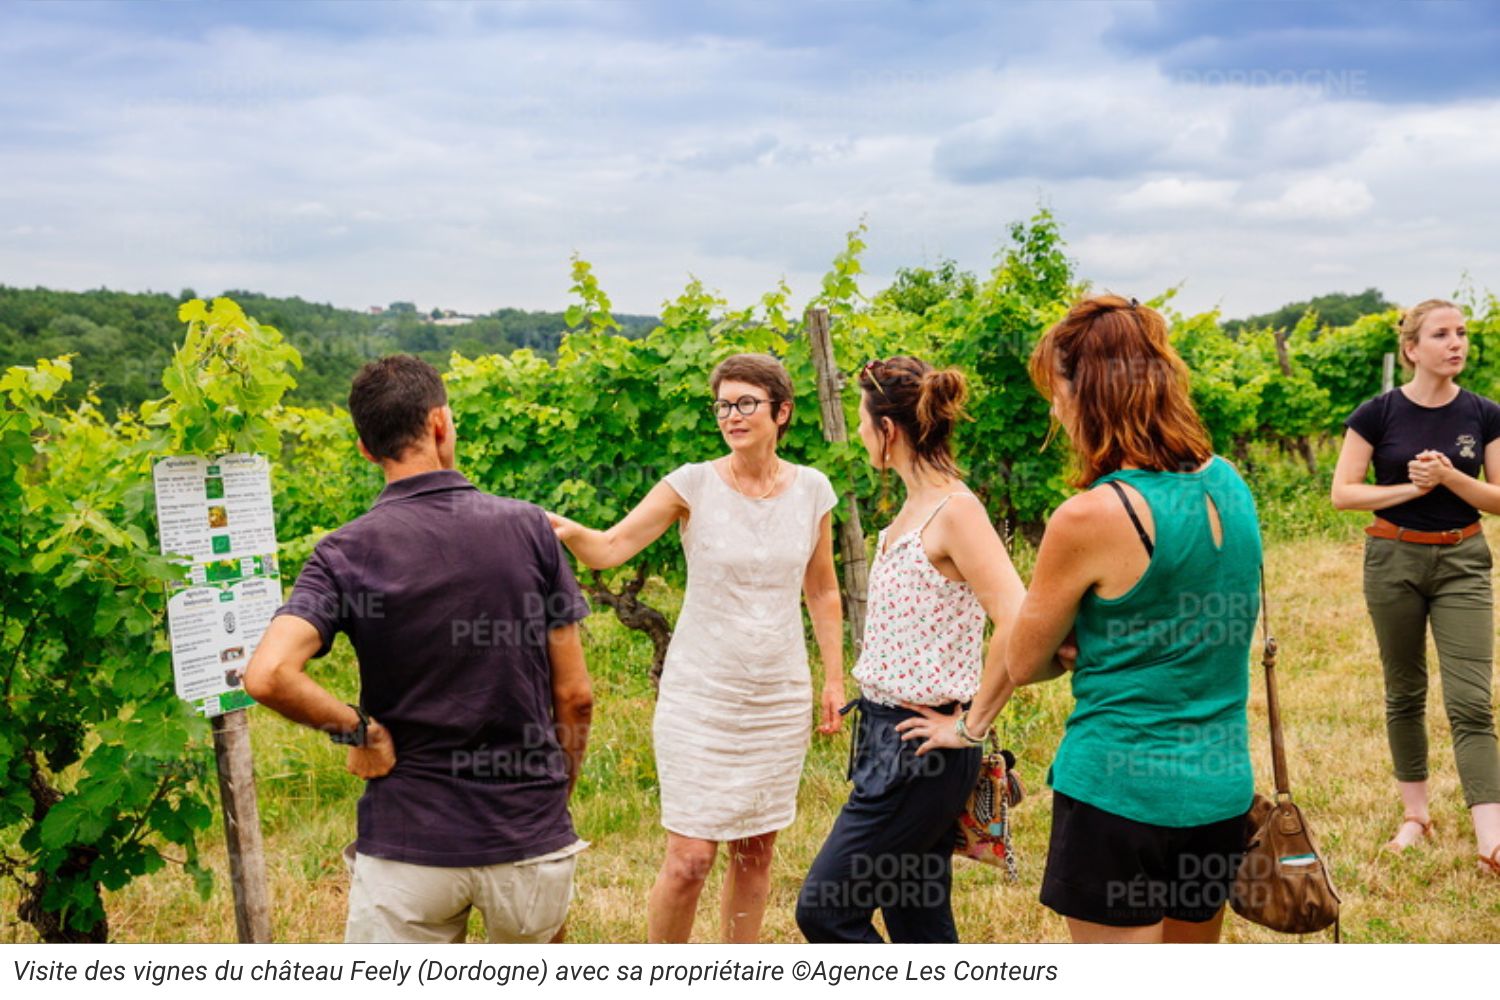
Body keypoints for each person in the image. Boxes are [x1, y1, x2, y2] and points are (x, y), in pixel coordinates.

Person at [244, 355, 595, 943]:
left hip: (408, 848)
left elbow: (269, 674)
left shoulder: (343, 553)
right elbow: (576, 695)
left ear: (365, 448)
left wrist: (361, 731)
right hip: (527, 836)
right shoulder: (530, 528)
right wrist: (553, 795)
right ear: (440, 423)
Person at [547, 352, 845, 942]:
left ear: (781, 412)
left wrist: (834, 679)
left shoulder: (813, 489)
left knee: (756, 851)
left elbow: (823, 588)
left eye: (745, 403)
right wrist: (554, 527)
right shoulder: (691, 484)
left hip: (776, 696)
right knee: (690, 860)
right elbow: (609, 549)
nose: (731, 415)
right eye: (723, 405)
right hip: (700, 696)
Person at [1001, 295, 1261, 943]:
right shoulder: (1230, 482)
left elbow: (1023, 662)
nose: (1054, 408)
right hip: (1218, 789)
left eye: (1056, 390)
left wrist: (1076, 640)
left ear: (1085, 391)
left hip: (1118, 794)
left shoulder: (1091, 516)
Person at [795, 356, 1027, 943]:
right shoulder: (913, 507)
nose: (861, 434)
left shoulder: (957, 511)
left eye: (862, 422)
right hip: (887, 738)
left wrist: (972, 728)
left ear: (888, 430)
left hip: (920, 751)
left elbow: (1018, 620)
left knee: (824, 911)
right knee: (918, 921)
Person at [1332, 299, 1500, 874]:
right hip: (1393, 558)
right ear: (1411, 349)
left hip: (1464, 561)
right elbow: (1344, 493)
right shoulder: (1376, 414)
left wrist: (1452, 476)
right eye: (1441, 334)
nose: (1456, 343)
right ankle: (1416, 816)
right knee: (1404, 691)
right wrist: (1412, 487)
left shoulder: (1485, 414)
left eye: (1461, 333)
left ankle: (1490, 840)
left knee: (1472, 700)